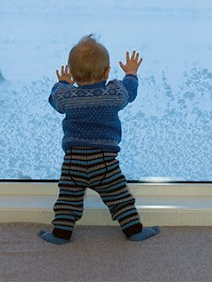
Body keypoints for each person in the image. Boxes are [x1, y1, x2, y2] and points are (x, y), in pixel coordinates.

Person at [39, 34, 160, 244]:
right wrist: (131, 74)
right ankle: (134, 230)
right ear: (107, 71)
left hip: (73, 162)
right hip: (104, 162)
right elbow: (130, 92)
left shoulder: (68, 97)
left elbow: (55, 99)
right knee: (120, 198)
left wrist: (62, 82)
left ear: (73, 75)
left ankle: (60, 234)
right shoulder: (114, 93)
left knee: (68, 200)